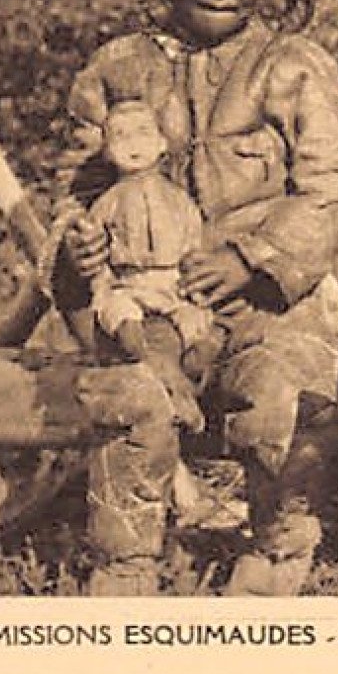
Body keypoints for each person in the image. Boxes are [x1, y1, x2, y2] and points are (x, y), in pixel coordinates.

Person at [58, 0, 338, 597]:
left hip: (270, 305)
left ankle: (281, 544)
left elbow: (333, 186)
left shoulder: (292, 69)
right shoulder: (117, 70)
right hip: (152, 304)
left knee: (281, 402)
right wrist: (80, 241)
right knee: (130, 399)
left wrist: (255, 258)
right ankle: (126, 560)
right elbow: (72, 190)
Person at [80, 100, 211, 432]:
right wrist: (101, 287)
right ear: (108, 152)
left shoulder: (179, 200)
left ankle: (187, 379)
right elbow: (95, 254)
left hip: (170, 284)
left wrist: (193, 280)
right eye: (121, 137)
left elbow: (193, 245)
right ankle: (165, 377)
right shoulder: (107, 203)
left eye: (142, 134)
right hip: (128, 284)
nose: (133, 145)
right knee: (125, 325)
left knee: (198, 330)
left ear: (161, 143)